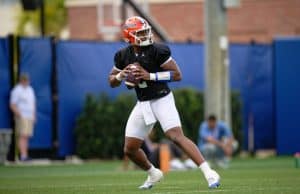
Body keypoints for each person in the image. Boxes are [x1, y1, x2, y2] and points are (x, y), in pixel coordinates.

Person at [108, 16, 220, 190]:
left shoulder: (157, 51)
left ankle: (209, 172)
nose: (146, 35)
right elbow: (111, 82)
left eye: (146, 31)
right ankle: (153, 173)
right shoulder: (123, 55)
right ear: (130, 37)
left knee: (175, 136)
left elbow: (177, 75)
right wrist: (121, 75)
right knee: (129, 149)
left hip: (162, 98)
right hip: (143, 103)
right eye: (141, 33)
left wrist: (149, 76)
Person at [10, 73, 36, 161]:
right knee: (22, 135)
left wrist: (34, 115)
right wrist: (19, 115)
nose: (26, 82)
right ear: (21, 80)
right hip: (22, 116)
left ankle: (25, 155)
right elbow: (12, 105)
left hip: (29, 116)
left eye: (27, 80)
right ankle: (22, 156)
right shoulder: (16, 90)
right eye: (24, 80)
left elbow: (33, 104)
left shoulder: (30, 89)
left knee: (27, 136)